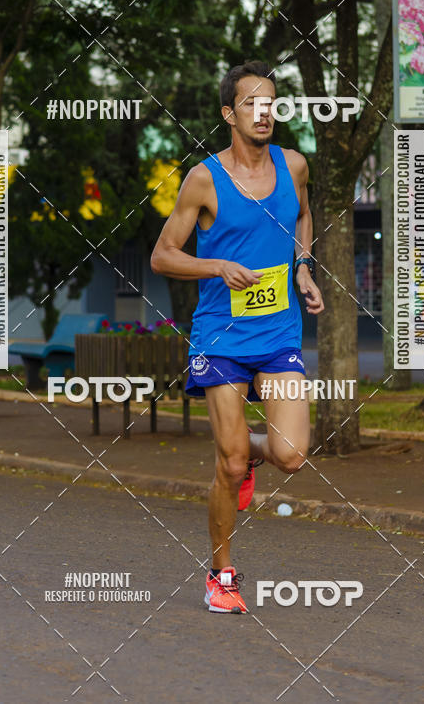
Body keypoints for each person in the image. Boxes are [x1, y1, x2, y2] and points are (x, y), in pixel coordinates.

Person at [150, 60, 324, 614]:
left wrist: (302, 267)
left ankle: (251, 454)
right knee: (226, 465)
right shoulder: (205, 179)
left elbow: (303, 216)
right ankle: (221, 574)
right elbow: (163, 255)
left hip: (278, 333)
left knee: (292, 455)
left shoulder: (294, 165)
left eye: (271, 102)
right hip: (220, 338)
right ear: (230, 114)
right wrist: (217, 266)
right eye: (251, 103)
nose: (264, 111)